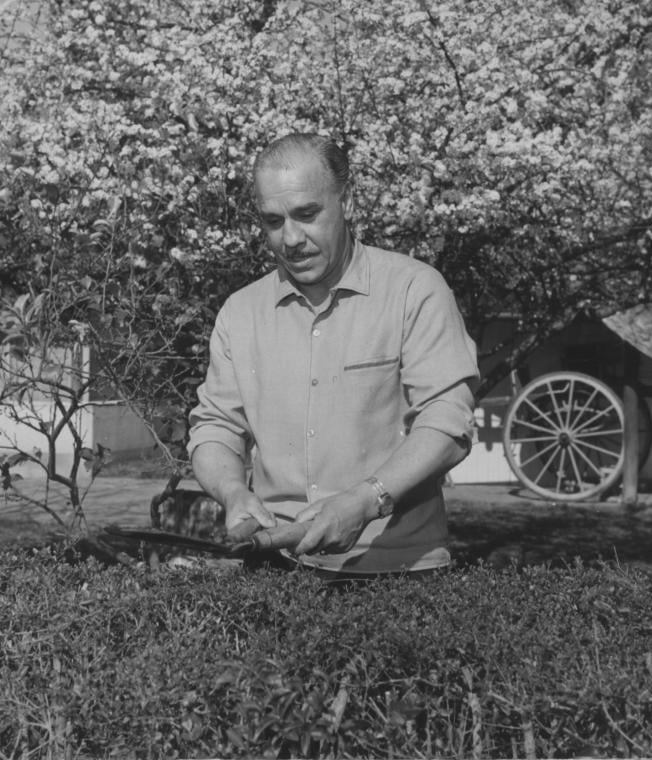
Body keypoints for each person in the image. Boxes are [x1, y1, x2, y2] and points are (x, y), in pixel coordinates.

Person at [186, 133, 479, 577]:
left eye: (307, 214)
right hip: (275, 570)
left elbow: (447, 422)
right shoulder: (240, 313)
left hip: (398, 570)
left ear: (348, 201)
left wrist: (368, 499)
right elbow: (215, 427)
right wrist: (232, 492)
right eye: (272, 221)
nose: (290, 238)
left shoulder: (414, 291)